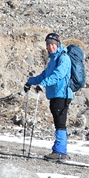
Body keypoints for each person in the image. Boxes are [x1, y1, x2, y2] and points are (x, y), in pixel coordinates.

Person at [25, 33, 72, 161]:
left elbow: (58, 75)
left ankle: (60, 152)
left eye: (51, 44)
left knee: (60, 123)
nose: (49, 47)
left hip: (62, 94)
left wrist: (43, 84)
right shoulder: (53, 60)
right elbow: (44, 75)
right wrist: (31, 81)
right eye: (47, 44)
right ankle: (60, 152)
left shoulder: (64, 58)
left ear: (57, 45)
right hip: (55, 95)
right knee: (58, 123)